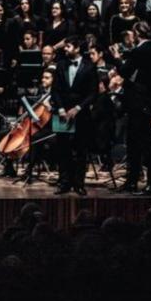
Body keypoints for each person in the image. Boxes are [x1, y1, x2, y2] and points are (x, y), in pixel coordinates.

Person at [109, 22, 151, 195]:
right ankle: (132, 182)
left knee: (143, 144)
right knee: (134, 144)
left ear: (138, 33)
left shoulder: (140, 50)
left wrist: (116, 56)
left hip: (139, 102)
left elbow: (124, 71)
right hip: (143, 101)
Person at [52, 37, 97, 196]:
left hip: (81, 114)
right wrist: (61, 109)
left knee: (80, 150)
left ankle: (79, 183)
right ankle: (64, 182)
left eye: (68, 46)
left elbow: (93, 93)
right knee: (62, 149)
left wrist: (77, 108)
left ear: (77, 48)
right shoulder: (60, 65)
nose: (65, 49)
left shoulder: (90, 66)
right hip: (62, 113)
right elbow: (55, 90)